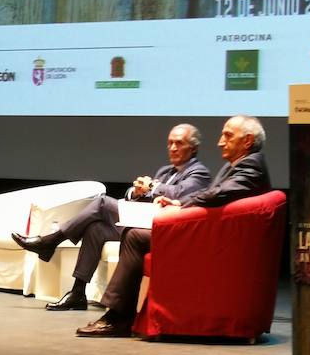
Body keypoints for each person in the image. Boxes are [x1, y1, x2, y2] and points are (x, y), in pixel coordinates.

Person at [76, 115, 271, 337]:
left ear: (247, 141)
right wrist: (177, 203)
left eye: (228, 136)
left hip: (217, 244)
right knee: (124, 232)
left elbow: (218, 194)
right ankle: (117, 315)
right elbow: (213, 195)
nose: (220, 142)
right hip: (214, 235)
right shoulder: (238, 165)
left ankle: (118, 318)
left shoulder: (250, 166)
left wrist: (180, 207)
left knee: (134, 236)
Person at [12, 124, 212, 310]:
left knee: (102, 203)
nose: (173, 148)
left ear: (193, 148)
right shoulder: (165, 171)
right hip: (142, 221)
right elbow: (144, 195)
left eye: (179, 143)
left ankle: (50, 241)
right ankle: (78, 292)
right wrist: (136, 192)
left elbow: (179, 193)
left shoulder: (199, 172)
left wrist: (151, 186)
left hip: (163, 227)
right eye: (170, 143)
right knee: (95, 229)